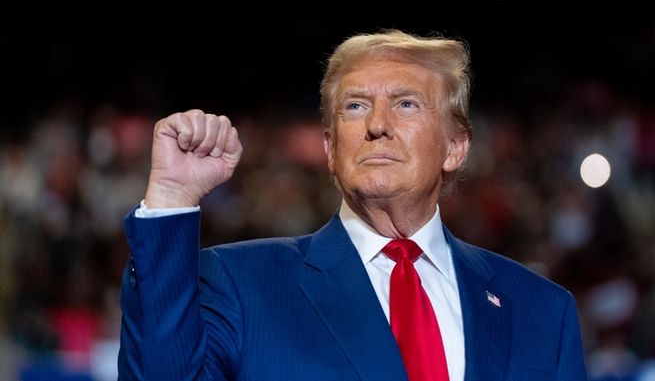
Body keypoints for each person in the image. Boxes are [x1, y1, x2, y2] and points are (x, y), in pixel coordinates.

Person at [118, 29, 588, 381]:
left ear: (455, 147)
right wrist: (173, 201)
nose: (377, 125)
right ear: (330, 148)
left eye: (406, 104)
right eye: (356, 106)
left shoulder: (542, 312)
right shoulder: (243, 285)